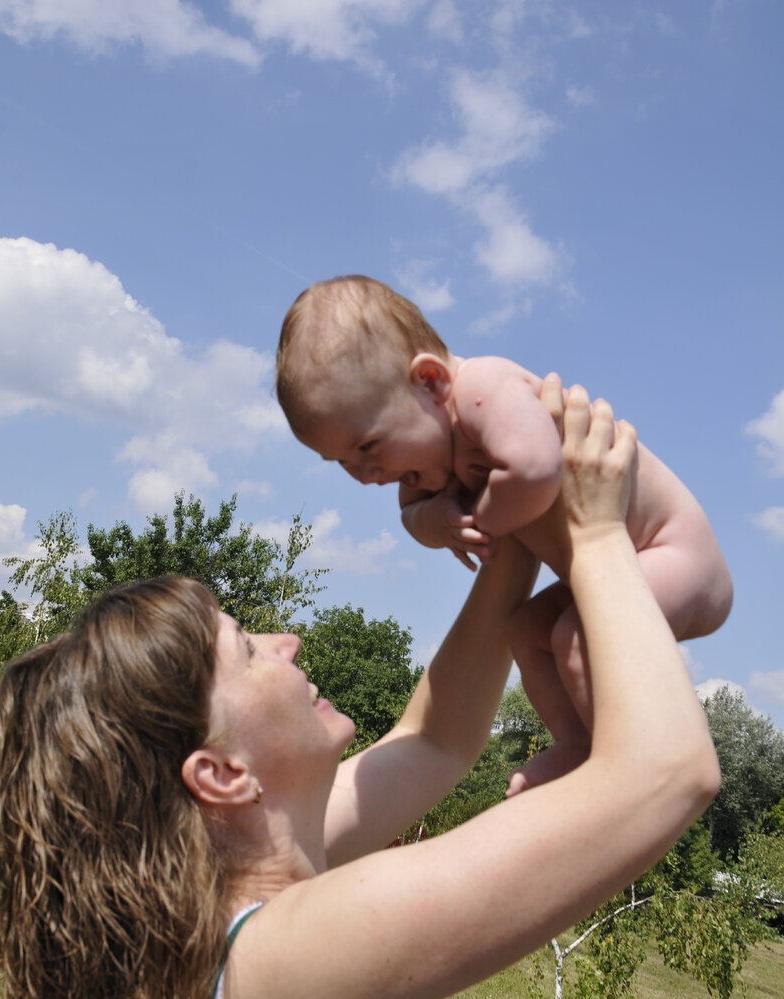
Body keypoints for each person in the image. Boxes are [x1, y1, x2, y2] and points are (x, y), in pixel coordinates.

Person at [0, 385, 720, 999]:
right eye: (247, 649)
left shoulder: (231, 921)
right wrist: (596, 529)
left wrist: (516, 516)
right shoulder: (300, 955)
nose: (286, 640)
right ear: (221, 775)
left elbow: (434, 741)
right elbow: (664, 771)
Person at [275, 275, 733, 792]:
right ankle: (578, 745)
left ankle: (622, 769)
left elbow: (536, 470)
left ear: (430, 382)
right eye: (341, 463)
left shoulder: (481, 390)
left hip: (674, 554)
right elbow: (412, 518)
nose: (364, 475)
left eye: (368, 446)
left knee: (574, 641)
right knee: (529, 633)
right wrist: (439, 522)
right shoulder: (421, 459)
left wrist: (482, 519)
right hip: (618, 569)